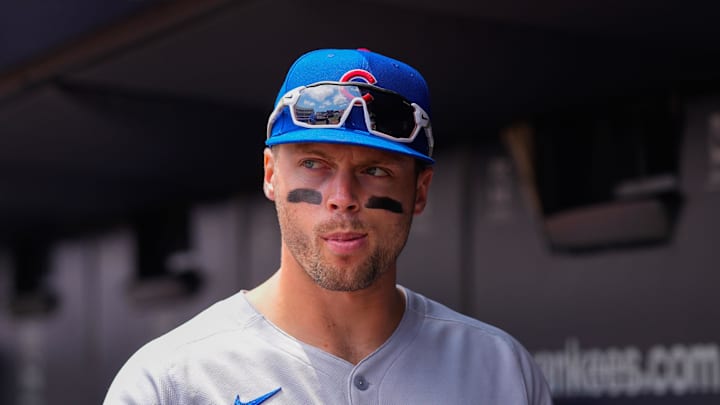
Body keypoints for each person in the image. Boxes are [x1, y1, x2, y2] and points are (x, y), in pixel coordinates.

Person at [104, 48, 553, 404]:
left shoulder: (499, 370)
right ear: (270, 174)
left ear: (420, 191)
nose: (342, 196)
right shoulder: (170, 382)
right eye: (314, 163)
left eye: (375, 169)